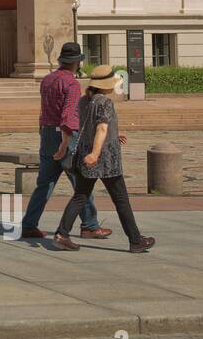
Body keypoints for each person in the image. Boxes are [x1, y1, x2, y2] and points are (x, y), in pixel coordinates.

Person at [53, 65, 156, 253]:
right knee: (121, 199)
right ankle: (135, 240)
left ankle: (61, 234)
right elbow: (100, 128)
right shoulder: (105, 102)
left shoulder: (85, 100)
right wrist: (96, 153)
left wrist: (114, 134)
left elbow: (91, 126)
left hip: (87, 155)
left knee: (80, 196)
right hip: (106, 159)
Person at [20, 42, 109, 241]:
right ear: (76, 62)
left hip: (47, 132)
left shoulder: (48, 80)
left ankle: (29, 224)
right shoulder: (71, 83)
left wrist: (45, 134)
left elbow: (44, 111)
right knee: (81, 183)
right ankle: (90, 226)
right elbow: (68, 116)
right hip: (65, 136)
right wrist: (64, 144)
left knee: (44, 184)